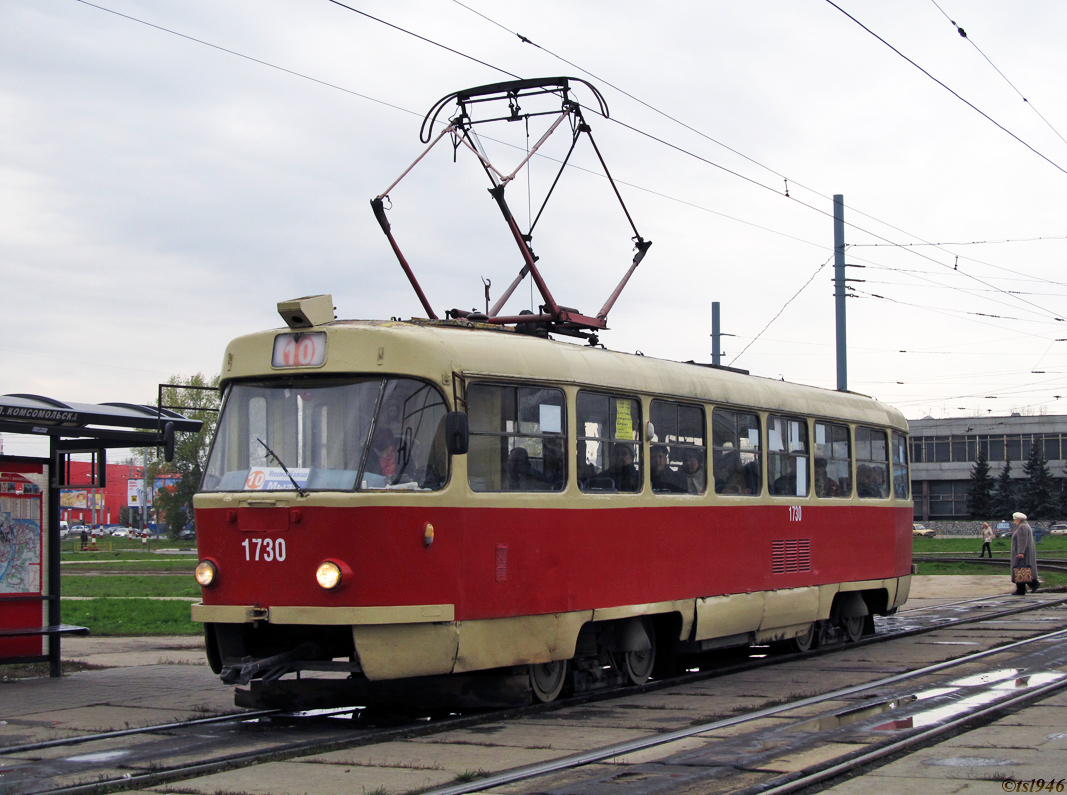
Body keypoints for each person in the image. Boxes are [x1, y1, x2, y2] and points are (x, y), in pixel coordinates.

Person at [1010, 511, 1040, 595]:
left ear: (1018, 520)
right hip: (1026, 552)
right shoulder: (1026, 526)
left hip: (1022, 553)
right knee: (1022, 570)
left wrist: (1020, 552)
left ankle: (1033, 583)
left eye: (1015, 520)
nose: (1014, 522)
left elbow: (1022, 541)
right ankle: (1021, 589)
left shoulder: (1022, 527)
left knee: (1020, 569)